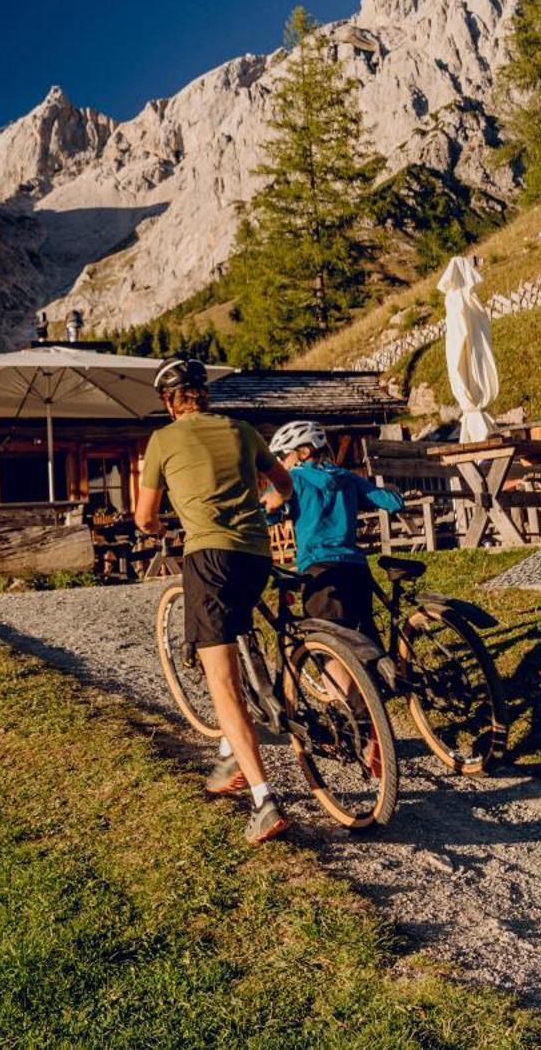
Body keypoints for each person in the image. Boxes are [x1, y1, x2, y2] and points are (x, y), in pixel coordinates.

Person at [133, 358, 296, 845]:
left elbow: (143, 518)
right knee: (239, 637)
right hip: (255, 556)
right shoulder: (243, 431)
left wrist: (162, 529)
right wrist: (266, 507)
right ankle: (232, 750)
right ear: (205, 395)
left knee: (221, 682)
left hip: (208, 559)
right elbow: (282, 486)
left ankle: (264, 800)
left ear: (169, 401)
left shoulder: (162, 441)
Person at [262, 420, 404, 642]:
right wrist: (391, 491)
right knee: (365, 645)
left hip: (320, 569)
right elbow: (393, 503)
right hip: (356, 568)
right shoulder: (347, 477)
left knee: (332, 649)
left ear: (304, 451)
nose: (279, 463)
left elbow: (267, 514)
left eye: (283, 455)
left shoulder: (292, 479)